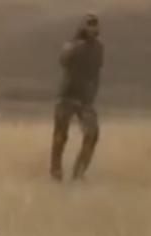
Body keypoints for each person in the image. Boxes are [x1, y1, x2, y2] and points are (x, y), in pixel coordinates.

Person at [51, 13, 104, 182]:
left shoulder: (98, 48)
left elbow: (96, 72)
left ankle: (79, 173)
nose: (93, 27)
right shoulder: (72, 46)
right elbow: (63, 60)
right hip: (67, 95)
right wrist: (76, 46)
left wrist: (93, 92)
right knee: (60, 135)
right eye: (89, 24)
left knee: (92, 135)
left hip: (85, 99)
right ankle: (56, 172)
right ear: (82, 27)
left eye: (95, 24)